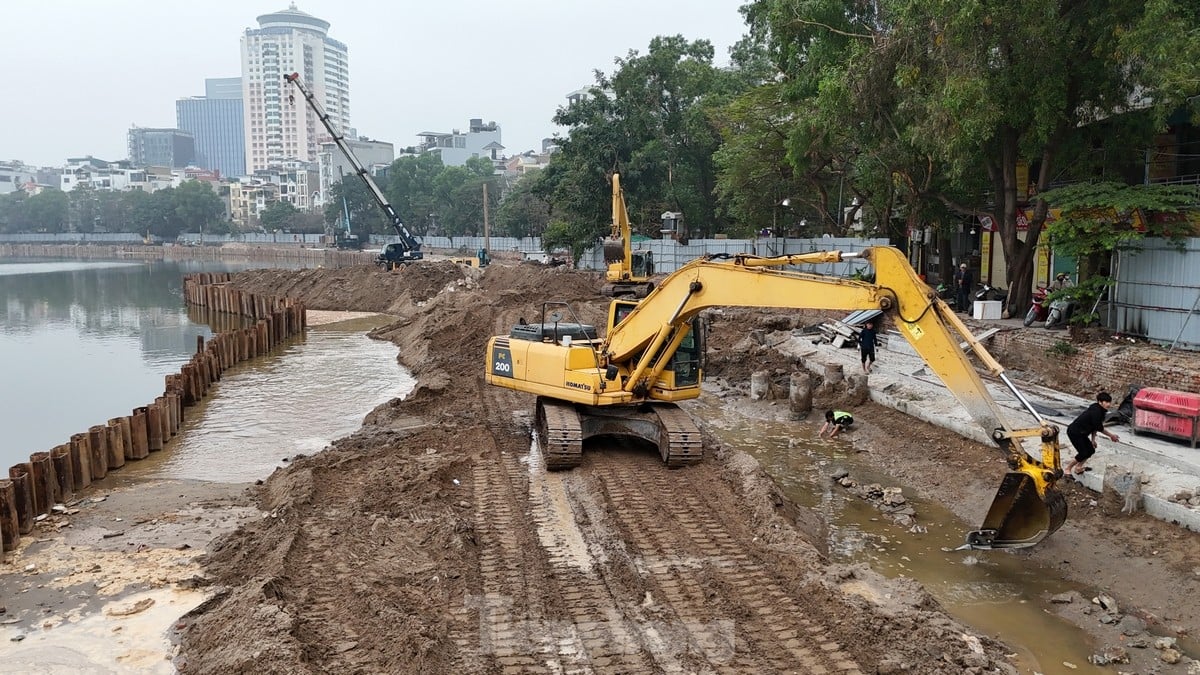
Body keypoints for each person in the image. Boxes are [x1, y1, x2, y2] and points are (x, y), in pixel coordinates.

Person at [1063, 392, 1119, 477]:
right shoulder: (1096, 412)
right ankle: (1068, 469)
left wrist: (1093, 440)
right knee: (1083, 453)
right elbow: (1100, 428)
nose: (1109, 404)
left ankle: (1078, 468)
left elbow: (1095, 427)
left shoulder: (1100, 410)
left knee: (1091, 450)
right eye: (1106, 402)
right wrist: (1111, 435)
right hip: (1075, 432)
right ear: (1100, 402)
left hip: (1082, 433)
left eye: (1109, 402)